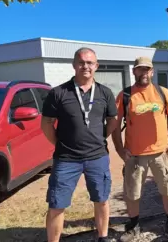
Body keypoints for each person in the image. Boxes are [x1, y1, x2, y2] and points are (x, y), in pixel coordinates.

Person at [41, 47, 118, 242]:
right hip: (66, 159)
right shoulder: (58, 93)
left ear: (96, 66)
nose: (86, 66)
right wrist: (59, 143)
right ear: (74, 65)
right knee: (57, 204)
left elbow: (112, 121)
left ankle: (103, 237)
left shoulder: (105, 93)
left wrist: (100, 138)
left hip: (97, 157)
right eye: (82, 62)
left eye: (90, 63)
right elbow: (46, 124)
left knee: (101, 199)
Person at [112, 56, 168, 242]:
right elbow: (115, 126)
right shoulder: (125, 96)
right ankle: (134, 225)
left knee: (167, 189)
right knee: (132, 193)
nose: (144, 73)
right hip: (134, 155)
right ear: (134, 71)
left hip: (161, 154)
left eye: (147, 69)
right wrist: (119, 150)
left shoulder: (162, 92)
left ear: (152, 72)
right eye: (140, 69)